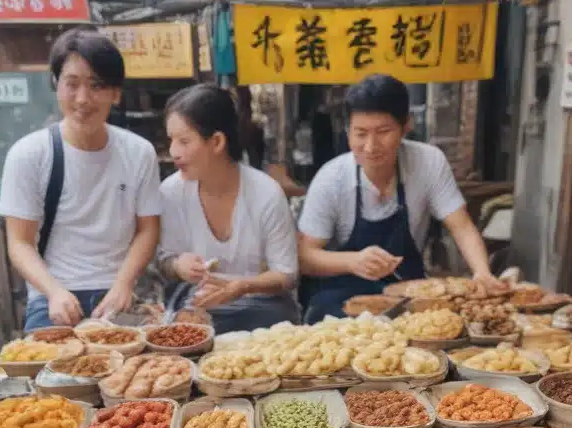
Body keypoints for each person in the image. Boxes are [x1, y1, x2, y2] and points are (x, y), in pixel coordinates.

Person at [298, 74, 504, 323]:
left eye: (383, 131)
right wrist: (354, 262)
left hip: (407, 294)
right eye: (360, 133)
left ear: (406, 126)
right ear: (348, 131)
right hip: (341, 299)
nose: (371, 146)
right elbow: (305, 257)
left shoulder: (428, 162)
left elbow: (461, 226)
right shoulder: (332, 179)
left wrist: (482, 273)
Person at [0, 27, 161, 329]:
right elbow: (19, 243)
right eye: (71, 84)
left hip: (118, 292)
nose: (83, 99)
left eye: (96, 86)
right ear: (56, 85)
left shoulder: (140, 153)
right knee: (42, 371)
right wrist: (54, 291)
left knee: (144, 371)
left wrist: (124, 284)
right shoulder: (28, 154)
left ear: (115, 93)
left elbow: (148, 229)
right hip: (53, 296)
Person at [157, 83, 299, 333]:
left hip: (262, 306)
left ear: (217, 142)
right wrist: (179, 264)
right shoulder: (171, 191)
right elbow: (164, 260)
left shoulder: (266, 193)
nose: (173, 152)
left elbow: (286, 275)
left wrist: (242, 287)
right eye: (171, 141)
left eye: (184, 141)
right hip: (200, 305)